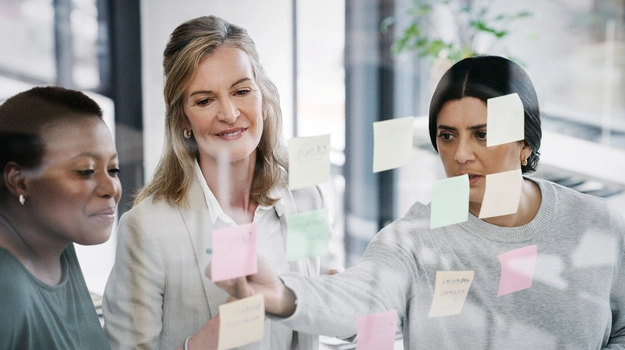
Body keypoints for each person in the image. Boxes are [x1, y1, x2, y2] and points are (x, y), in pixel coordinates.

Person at [213, 55, 625, 349]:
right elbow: (359, 297)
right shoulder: (414, 238)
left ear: (524, 143)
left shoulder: (595, 223)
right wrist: (284, 295)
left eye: (482, 134)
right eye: (447, 136)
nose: (461, 154)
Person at [102, 15, 343, 350]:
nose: (229, 114)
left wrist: (345, 303)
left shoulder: (304, 196)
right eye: (204, 100)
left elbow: (329, 300)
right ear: (184, 119)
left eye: (241, 91)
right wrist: (209, 339)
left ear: (264, 97)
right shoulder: (148, 229)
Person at [0, 86, 120, 349]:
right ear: (19, 181)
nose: (111, 187)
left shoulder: (57, 247)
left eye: (113, 169)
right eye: (85, 171)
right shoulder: (6, 289)